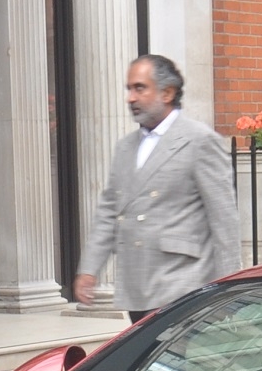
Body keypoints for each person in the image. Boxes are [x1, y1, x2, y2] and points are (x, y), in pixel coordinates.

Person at [74, 55, 236, 321]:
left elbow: (224, 219)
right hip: (137, 283)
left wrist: (228, 287)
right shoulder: (125, 147)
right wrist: (89, 269)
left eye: (140, 88)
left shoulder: (199, 141)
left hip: (183, 283)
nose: (131, 98)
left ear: (167, 93)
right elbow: (108, 212)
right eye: (129, 89)